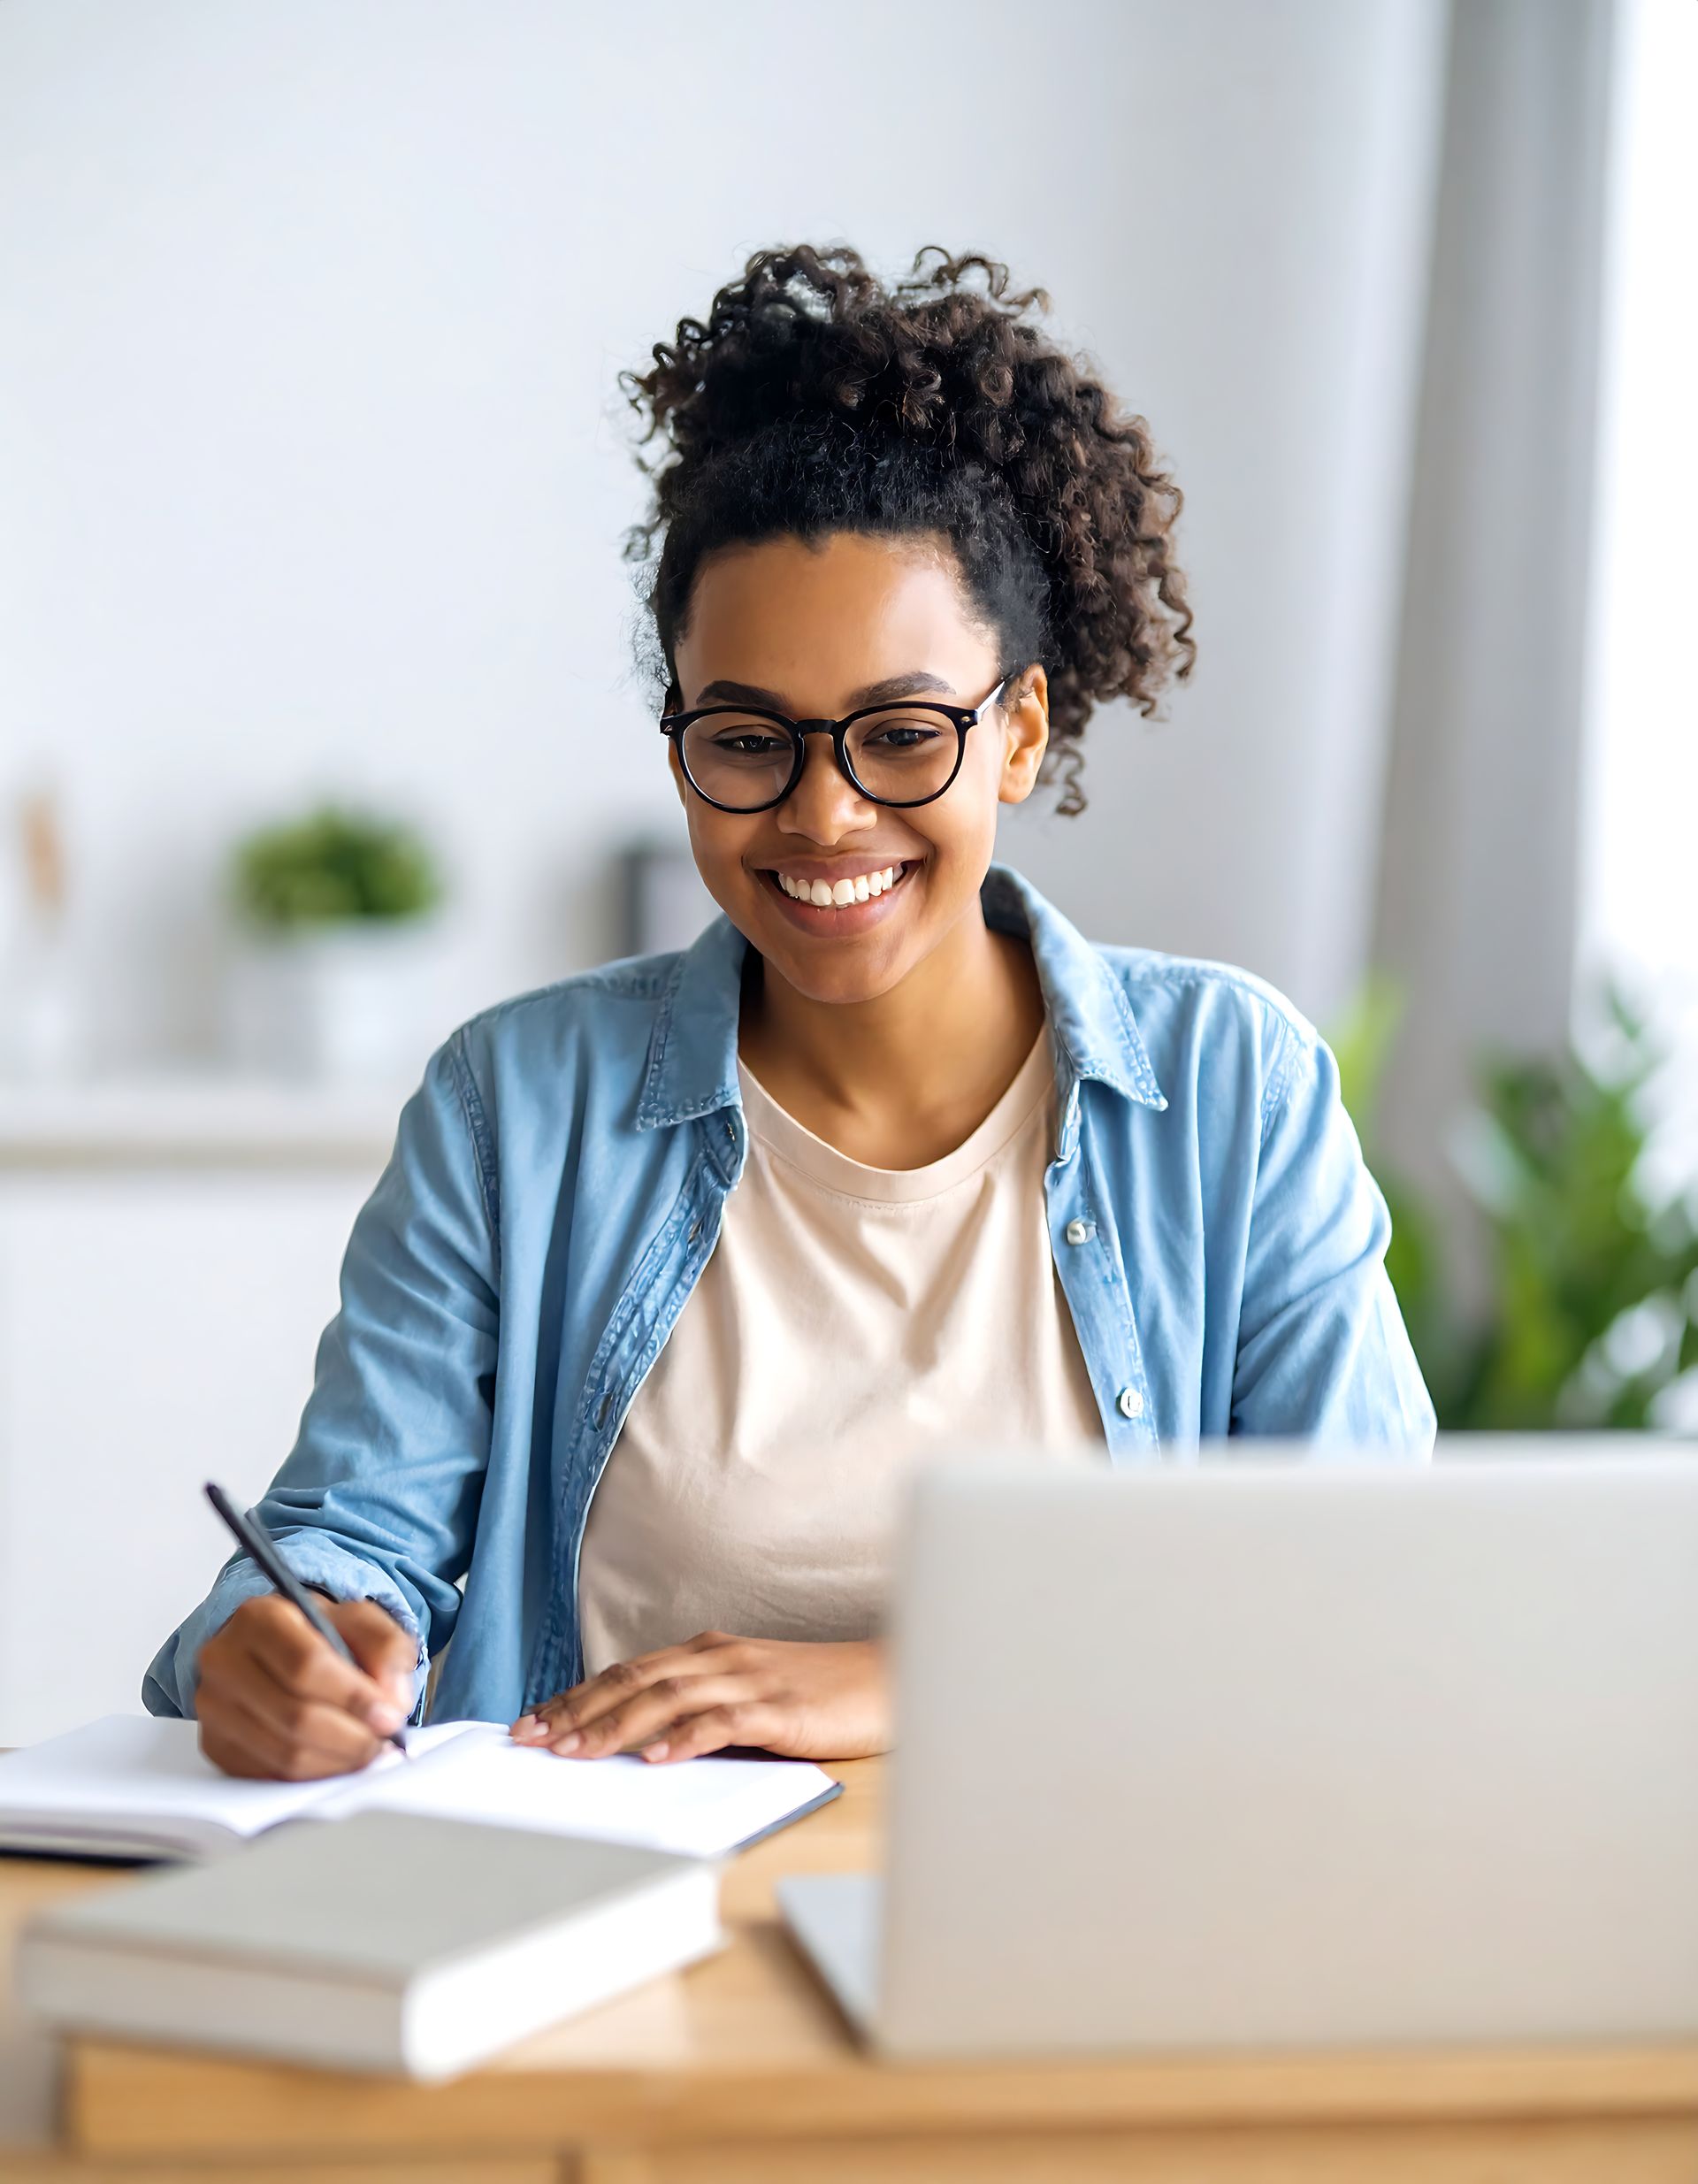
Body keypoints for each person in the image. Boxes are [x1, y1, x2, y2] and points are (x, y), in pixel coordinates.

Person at [145, 244, 1435, 1782]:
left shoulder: (1235, 1089)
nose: (824, 816)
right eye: (748, 739)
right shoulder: (516, 1105)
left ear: (1018, 731)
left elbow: (1360, 1595)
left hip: (1103, 1906)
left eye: (900, 733)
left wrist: (896, 1683)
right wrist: (287, 1641)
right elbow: (346, 1536)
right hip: (607, 1925)